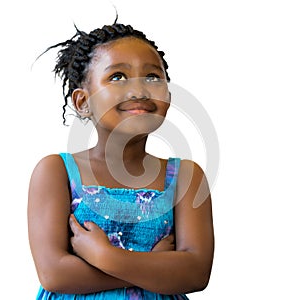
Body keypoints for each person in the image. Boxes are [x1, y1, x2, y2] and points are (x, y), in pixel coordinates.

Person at [28, 22, 214, 300]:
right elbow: (55, 274)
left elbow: (195, 272)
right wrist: (154, 268)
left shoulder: (186, 176)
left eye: (152, 77)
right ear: (82, 102)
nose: (139, 90)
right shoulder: (56, 171)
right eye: (117, 77)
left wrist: (103, 255)